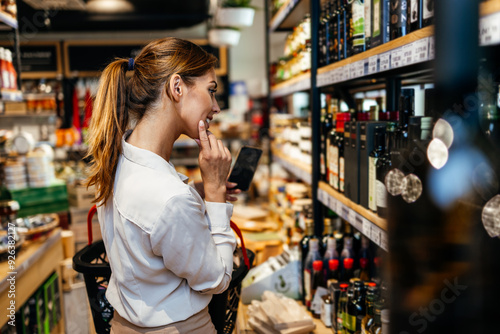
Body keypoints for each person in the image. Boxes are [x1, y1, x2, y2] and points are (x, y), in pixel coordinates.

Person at [85, 37, 241, 333]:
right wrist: (216, 194)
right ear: (177, 87)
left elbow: (149, 225)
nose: (216, 107)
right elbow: (218, 279)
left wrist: (200, 189)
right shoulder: (170, 198)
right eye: (211, 91)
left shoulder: (117, 158)